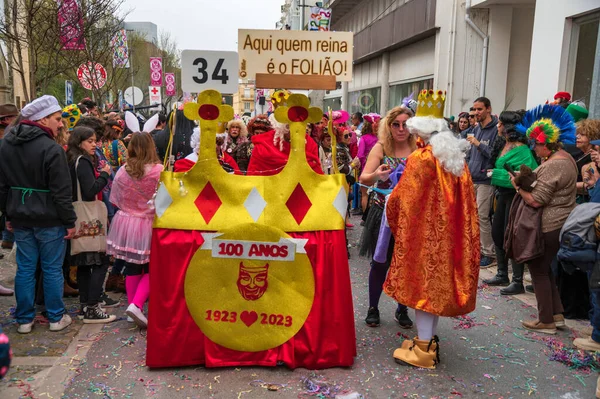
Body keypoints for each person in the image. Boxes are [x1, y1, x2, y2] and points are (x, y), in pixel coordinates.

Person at [384, 91, 479, 369]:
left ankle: (424, 350)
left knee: (423, 289)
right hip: (450, 236)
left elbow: (405, 199)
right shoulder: (455, 159)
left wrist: (391, 201)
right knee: (434, 292)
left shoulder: (422, 158)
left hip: (425, 237)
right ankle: (428, 341)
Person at [0, 95, 76, 333]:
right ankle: (55, 317)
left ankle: (24, 319)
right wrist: (69, 221)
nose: (61, 124)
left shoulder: (6, 144)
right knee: (52, 269)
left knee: (25, 268)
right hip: (49, 218)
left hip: (21, 217)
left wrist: (8, 215)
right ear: (42, 120)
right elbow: (62, 191)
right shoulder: (51, 148)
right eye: (57, 119)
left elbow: (2, 186)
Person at [510, 104, 577, 334]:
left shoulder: (554, 165)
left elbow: (537, 200)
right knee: (545, 268)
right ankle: (556, 315)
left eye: (536, 145)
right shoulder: (565, 158)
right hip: (557, 223)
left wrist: (517, 188)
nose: (534, 149)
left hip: (549, 225)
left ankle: (545, 320)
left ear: (546, 144)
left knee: (537, 268)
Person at [359, 106, 415, 329]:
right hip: (382, 213)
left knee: (406, 264)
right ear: (388, 126)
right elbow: (364, 179)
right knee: (380, 263)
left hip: (411, 216)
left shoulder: (419, 148)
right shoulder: (381, 147)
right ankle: (373, 307)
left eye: (406, 124)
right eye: (396, 124)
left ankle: (402, 308)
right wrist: (377, 175)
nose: (401, 129)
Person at [107, 132, 162, 328]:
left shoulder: (123, 170)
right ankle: (137, 305)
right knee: (153, 267)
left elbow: (115, 198)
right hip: (148, 224)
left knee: (131, 266)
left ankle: (132, 308)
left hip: (126, 223)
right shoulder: (159, 171)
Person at [483, 111, 538, 295]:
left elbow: (523, 176)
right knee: (498, 232)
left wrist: (495, 175)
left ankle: (517, 280)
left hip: (516, 197)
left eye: (500, 124)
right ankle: (501, 274)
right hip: (502, 196)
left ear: (508, 127)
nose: (497, 126)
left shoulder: (522, 150)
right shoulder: (503, 145)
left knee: (512, 236)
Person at [67, 126, 117, 324]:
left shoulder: (71, 158)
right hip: (87, 216)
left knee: (83, 264)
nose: (94, 144)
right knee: (99, 261)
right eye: (90, 141)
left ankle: (85, 305)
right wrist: (104, 175)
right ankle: (92, 307)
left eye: (95, 140)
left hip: (77, 216)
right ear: (80, 142)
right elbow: (89, 191)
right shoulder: (83, 161)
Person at [466, 97, 498, 268]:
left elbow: (494, 154)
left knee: (482, 216)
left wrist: (478, 144)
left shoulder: (496, 130)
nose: (476, 113)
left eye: (479, 109)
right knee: (473, 216)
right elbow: (471, 153)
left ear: (488, 109)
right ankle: (477, 249)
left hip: (486, 179)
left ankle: (489, 253)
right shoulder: (476, 129)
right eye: (475, 109)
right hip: (473, 177)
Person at [247, 115, 323, 176]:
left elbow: (315, 172)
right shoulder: (263, 145)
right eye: (290, 128)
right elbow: (254, 175)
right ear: (283, 128)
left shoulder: (310, 143)